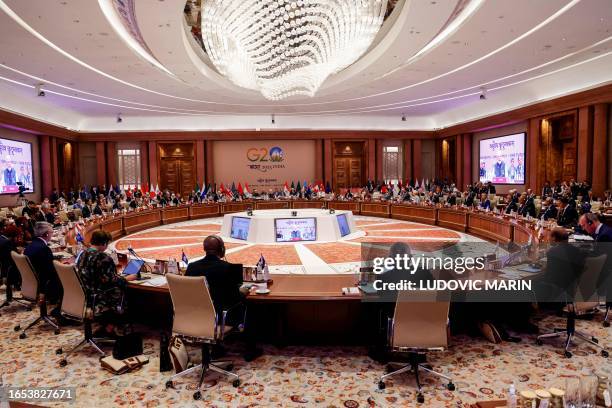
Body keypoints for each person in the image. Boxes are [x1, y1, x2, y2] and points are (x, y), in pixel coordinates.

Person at [185, 235, 261, 361]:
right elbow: (235, 298)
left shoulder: (192, 267)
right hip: (223, 318)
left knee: (217, 303)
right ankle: (251, 350)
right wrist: (243, 291)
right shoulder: (229, 268)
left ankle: (217, 348)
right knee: (249, 307)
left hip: (196, 316)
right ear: (222, 249)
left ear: (204, 248)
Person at [77, 230, 136, 336]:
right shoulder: (102, 257)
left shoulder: (83, 254)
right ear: (104, 243)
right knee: (125, 291)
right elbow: (110, 281)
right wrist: (127, 278)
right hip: (99, 297)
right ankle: (113, 327)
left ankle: (108, 326)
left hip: (85, 294)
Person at [24, 222, 63, 316]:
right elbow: (51, 272)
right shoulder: (44, 249)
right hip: (44, 284)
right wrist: (62, 266)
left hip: (32, 282)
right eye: (51, 232)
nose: (52, 234)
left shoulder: (30, 246)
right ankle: (62, 310)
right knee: (70, 278)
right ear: (46, 234)